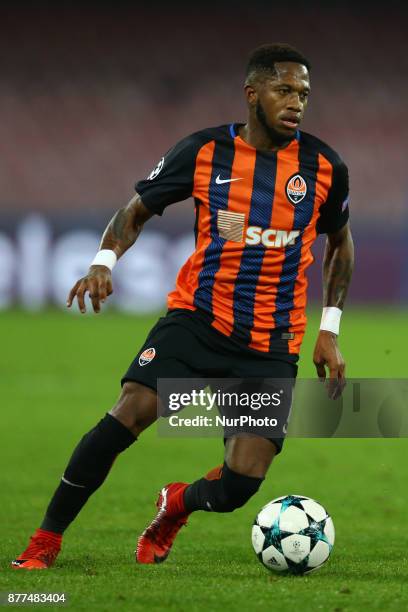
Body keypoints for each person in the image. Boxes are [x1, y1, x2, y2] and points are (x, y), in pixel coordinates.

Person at [12, 43, 354, 570]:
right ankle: (45, 539)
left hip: (269, 344)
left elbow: (340, 244)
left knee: (240, 483)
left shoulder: (324, 166)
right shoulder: (203, 152)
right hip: (197, 320)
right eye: (284, 90)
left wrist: (329, 327)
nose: (296, 103)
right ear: (252, 94)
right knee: (128, 414)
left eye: (303, 94)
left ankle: (177, 504)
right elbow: (135, 210)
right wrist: (104, 261)